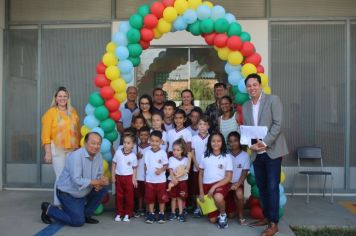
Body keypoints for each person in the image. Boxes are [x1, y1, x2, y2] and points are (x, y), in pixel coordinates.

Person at [243, 73, 288, 236]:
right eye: (249, 85)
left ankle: (274, 223)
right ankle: (266, 217)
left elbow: (278, 124)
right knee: (262, 187)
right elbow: (247, 128)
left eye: (255, 85)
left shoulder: (272, 100)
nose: (252, 88)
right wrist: (250, 143)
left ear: (260, 85)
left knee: (272, 186)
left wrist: (265, 142)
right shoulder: (246, 106)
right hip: (256, 152)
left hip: (272, 151)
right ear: (246, 88)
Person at [40, 132, 109, 226]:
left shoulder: (99, 156)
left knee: (103, 188)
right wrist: (96, 182)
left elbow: (99, 175)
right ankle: (49, 209)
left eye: (98, 143)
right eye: (93, 143)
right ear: (85, 143)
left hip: (82, 191)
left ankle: (85, 214)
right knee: (77, 221)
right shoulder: (76, 156)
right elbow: (76, 180)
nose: (96, 146)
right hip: (67, 193)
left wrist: (101, 182)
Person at [41, 86, 80, 206]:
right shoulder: (50, 113)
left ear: (68, 98)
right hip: (57, 150)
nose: (62, 98)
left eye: (65, 96)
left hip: (72, 150)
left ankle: (69, 202)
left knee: (71, 176)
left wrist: (78, 147)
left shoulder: (73, 112)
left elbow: (77, 131)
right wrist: (47, 152)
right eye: (60, 96)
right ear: (56, 98)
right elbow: (45, 135)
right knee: (60, 176)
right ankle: (58, 203)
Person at [198, 132, 233, 229]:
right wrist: (201, 192)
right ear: (209, 142)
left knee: (218, 197)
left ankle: (222, 215)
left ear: (222, 143)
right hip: (206, 186)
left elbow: (228, 177)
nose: (216, 143)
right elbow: (200, 174)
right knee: (212, 220)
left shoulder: (226, 157)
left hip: (220, 185)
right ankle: (218, 209)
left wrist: (214, 187)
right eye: (213, 141)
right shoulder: (205, 155)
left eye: (218, 141)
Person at [144, 131, 169, 224]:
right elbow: (146, 165)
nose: (154, 143)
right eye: (152, 140)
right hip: (150, 180)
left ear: (161, 142)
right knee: (150, 198)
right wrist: (147, 175)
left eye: (157, 141)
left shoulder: (163, 153)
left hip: (161, 180)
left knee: (161, 198)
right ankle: (151, 214)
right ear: (149, 140)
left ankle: (161, 213)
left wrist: (161, 170)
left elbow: (166, 165)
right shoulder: (147, 152)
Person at [112, 133, 138, 222]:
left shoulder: (133, 156)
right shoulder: (118, 152)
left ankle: (128, 213)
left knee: (129, 197)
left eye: (128, 143)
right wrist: (113, 176)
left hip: (129, 178)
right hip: (119, 177)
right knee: (119, 196)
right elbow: (114, 164)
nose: (126, 144)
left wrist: (134, 179)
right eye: (124, 142)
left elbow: (134, 169)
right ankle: (119, 213)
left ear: (133, 145)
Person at [226, 131, 249, 225]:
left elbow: (244, 173)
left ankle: (241, 215)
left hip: (237, 183)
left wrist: (237, 184)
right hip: (226, 183)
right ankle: (232, 208)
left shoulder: (245, 155)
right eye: (230, 141)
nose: (233, 143)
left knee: (239, 194)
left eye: (235, 140)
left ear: (240, 141)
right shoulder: (225, 154)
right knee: (230, 216)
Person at [167, 139, 192, 222]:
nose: (175, 152)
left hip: (182, 182)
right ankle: (173, 213)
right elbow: (170, 170)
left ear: (182, 150)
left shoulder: (185, 159)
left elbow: (187, 170)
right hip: (173, 182)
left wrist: (189, 159)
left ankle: (181, 213)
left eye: (178, 150)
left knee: (180, 198)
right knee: (173, 198)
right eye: (174, 150)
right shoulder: (171, 159)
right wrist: (173, 178)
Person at [190, 116, 210, 218]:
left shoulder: (211, 138)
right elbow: (192, 152)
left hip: (208, 169)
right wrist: (196, 164)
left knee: (206, 188)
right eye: (200, 124)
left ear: (208, 126)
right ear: (197, 126)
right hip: (197, 168)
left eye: (205, 124)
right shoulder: (194, 138)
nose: (202, 126)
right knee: (197, 190)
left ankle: (206, 208)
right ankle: (198, 208)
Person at [134, 127, 151, 218]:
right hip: (138, 175)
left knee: (147, 194)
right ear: (138, 136)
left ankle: (148, 210)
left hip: (148, 175)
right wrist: (136, 157)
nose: (143, 137)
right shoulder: (135, 147)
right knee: (139, 194)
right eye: (141, 135)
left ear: (149, 136)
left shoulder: (151, 147)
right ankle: (140, 209)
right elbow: (130, 160)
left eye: (146, 135)